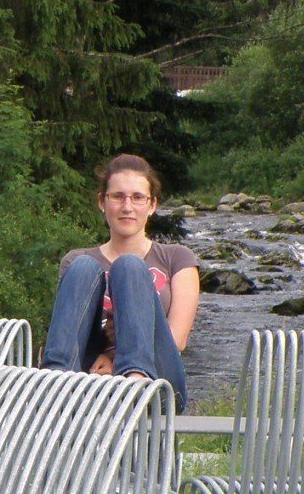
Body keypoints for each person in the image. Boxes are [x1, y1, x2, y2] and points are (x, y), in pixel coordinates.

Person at [42, 154, 200, 409]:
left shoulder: (177, 258)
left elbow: (177, 340)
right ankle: (55, 384)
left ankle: (134, 380)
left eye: (138, 197)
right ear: (102, 202)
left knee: (129, 266)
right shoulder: (74, 262)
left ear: (152, 205)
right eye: (118, 196)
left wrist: (114, 359)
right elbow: (67, 331)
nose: (128, 206)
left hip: (156, 384)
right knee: (83, 266)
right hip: (88, 379)